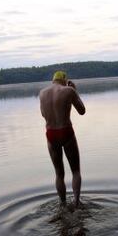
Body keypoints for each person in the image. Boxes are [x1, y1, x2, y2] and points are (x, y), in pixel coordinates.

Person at [39, 71, 86, 207]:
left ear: (53, 80)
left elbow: (43, 114)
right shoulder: (68, 90)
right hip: (66, 131)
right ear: (65, 80)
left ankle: (62, 204)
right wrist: (75, 91)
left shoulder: (42, 93)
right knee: (75, 171)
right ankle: (76, 203)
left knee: (59, 174)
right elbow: (82, 111)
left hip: (51, 134)